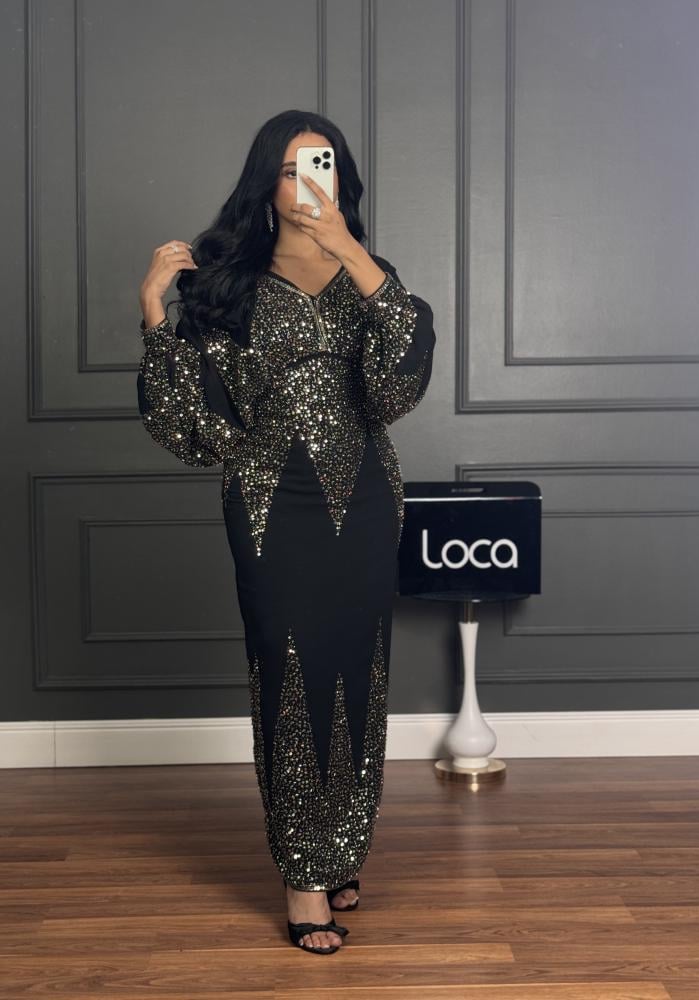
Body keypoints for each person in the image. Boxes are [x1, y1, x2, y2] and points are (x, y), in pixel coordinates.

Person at [136, 110, 436, 955]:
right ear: (266, 181)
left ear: (341, 176)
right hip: (269, 501)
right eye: (294, 167)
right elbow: (192, 426)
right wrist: (154, 309)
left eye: (324, 164)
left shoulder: (371, 274)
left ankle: (342, 851)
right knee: (288, 669)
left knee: (359, 672)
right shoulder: (227, 284)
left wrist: (352, 254)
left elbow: (396, 390)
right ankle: (304, 875)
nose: (310, 181)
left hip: (365, 498)